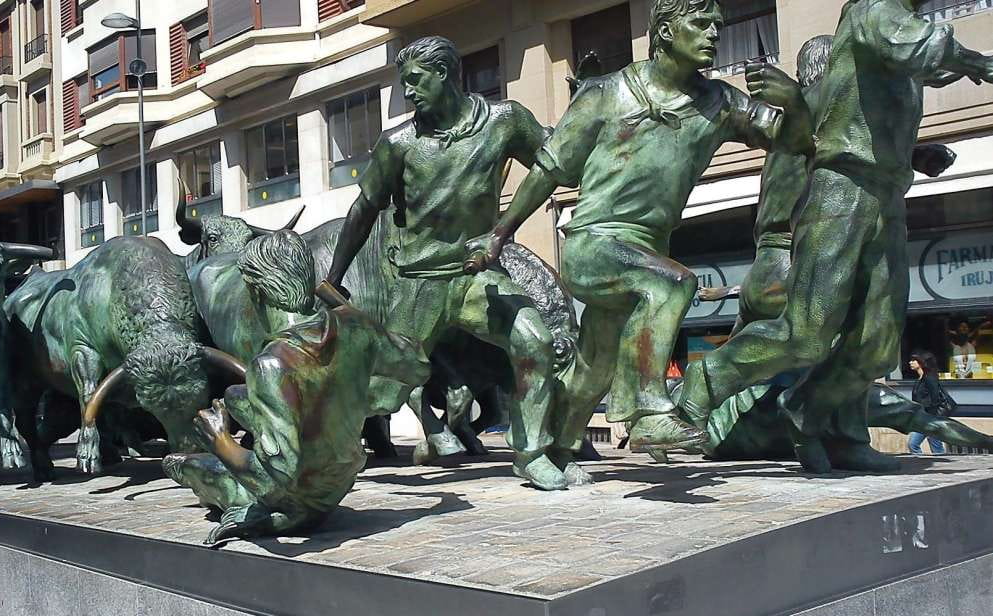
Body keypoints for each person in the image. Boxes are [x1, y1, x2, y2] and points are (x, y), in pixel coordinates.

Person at [463, 0, 813, 473]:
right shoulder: (608, 94)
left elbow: (792, 139)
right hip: (593, 243)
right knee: (672, 283)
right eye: (701, 23)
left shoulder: (721, 102)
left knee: (593, 370)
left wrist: (794, 103)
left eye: (718, 25)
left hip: (646, 253)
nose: (714, 33)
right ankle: (650, 411)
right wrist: (499, 236)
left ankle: (552, 449)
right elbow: (548, 169)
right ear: (666, 31)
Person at [679, 0, 993, 473]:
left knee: (876, 341)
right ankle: (707, 381)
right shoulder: (875, 12)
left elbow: (916, 78)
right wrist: (980, 62)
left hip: (886, 196)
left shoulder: (887, 69)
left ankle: (821, 420)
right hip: (839, 194)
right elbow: (923, 50)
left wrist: (912, 155)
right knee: (809, 334)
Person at [321, 36, 569, 490]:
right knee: (382, 388)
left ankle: (532, 452)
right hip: (419, 284)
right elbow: (363, 210)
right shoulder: (398, 144)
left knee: (534, 342)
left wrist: (503, 229)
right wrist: (333, 279)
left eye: (415, 81)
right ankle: (320, 450)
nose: (408, 92)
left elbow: (555, 165)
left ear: (446, 74)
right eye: (404, 84)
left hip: (480, 277)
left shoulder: (504, 121)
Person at [164, 231, 431, 544]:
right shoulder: (356, 326)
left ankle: (216, 484)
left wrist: (220, 439)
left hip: (298, 503)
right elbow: (419, 367)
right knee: (236, 397)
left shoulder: (272, 365)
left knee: (181, 464)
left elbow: (274, 482)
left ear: (256, 293)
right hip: (340, 480)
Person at [907, 352, 947, 454]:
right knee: (935, 442)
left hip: (928, 417)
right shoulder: (920, 379)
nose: (910, 362)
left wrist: (930, 417)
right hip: (922, 416)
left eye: (913, 360)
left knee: (913, 444)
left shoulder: (929, 378)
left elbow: (936, 398)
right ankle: (941, 463)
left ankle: (920, 463)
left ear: (920, 363)